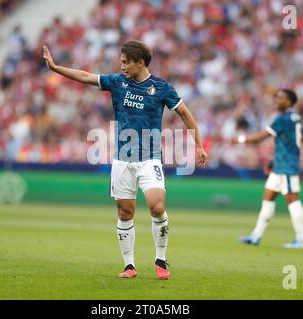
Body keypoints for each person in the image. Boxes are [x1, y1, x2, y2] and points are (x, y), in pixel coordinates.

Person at [43, 40, 208, 280]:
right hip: (122, 160)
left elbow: (185, 113)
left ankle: (161, 259)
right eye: (121, 62)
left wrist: (199, 145)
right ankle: (129, 265)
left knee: (157, 206)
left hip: (150, 159)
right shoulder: (117, 83)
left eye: (126, 62)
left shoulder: (161, 87)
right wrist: (56, 68)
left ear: (141, 62)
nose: (122, 66)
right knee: (125, 213)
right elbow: (86, 76)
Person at [232, 89, 303, 249]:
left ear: (290, 102)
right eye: (277, 97)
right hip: (281, 165)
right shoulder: (295, 117)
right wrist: (274, 161)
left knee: (293, 201)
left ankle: (301, 239)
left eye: (281, 98)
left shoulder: (282, 118)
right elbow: (288, 142)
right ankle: (255, 236)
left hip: (287, 167)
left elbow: (261, 137)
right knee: (268, 198)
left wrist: (240, 139)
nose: (277, 100)